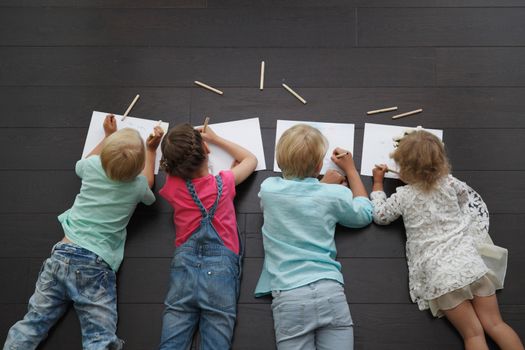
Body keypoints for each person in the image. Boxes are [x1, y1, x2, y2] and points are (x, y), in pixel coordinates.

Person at [3, 114, 164, 350]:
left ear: (106, 154)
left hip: (62, 254)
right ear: (136, 168)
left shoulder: (92, 166)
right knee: (99, 336)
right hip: (95, 266)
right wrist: (151, 150)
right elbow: (149, 182)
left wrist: (109, 136)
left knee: (34, 322)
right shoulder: (137, 186)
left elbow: (83, 161)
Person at [371, 129, 523, 350]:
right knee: (496, 324)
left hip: (442, 277)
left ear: (404, 171)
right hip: (470, 265)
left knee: (473, 336)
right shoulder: (450, 183)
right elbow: (463, 199)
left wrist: (377, 185)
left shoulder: (403, 196)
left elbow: (381, 216)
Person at [254, 124, 373, 350]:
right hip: (330, 289)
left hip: (289, 296)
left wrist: (320, 186)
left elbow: (296, 199)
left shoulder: (268, 189)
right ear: (320, 165)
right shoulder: (334, 194)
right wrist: (351, 171)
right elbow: (365, 214)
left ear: (279, 160)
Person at [158, 123, 257, 350]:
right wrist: (216, 139)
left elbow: (172, 172)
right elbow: (250, 159)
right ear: (206, 149)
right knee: (217, 339)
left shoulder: (172, 186)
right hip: (220, 272)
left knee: (172, 339)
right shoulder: (225, 182)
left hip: (184, 269)